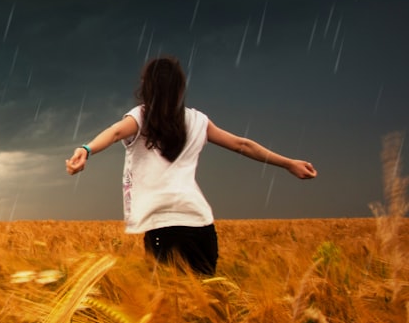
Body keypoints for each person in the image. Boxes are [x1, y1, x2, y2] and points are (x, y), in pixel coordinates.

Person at [65, 55, 317, 275]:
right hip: (201, 226)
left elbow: (115, 132)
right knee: (203, 310)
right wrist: (288, 163)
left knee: (165, 314)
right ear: (179, 88)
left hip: (163, 225)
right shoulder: (198, 120)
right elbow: (242, 145)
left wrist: (86, 150)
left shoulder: (141, 116)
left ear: (147, 87)